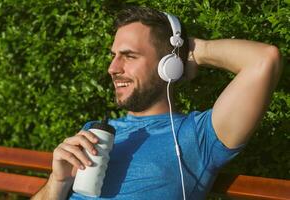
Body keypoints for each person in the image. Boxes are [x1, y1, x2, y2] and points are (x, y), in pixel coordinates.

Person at [31, 6, 282, 200]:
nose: (112, 68)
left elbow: (264, 59)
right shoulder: (95, 133)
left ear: (167, 66)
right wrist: (57, 182)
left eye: (129, 56)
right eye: (114, 56)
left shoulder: (196, 135)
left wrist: (192, 51)